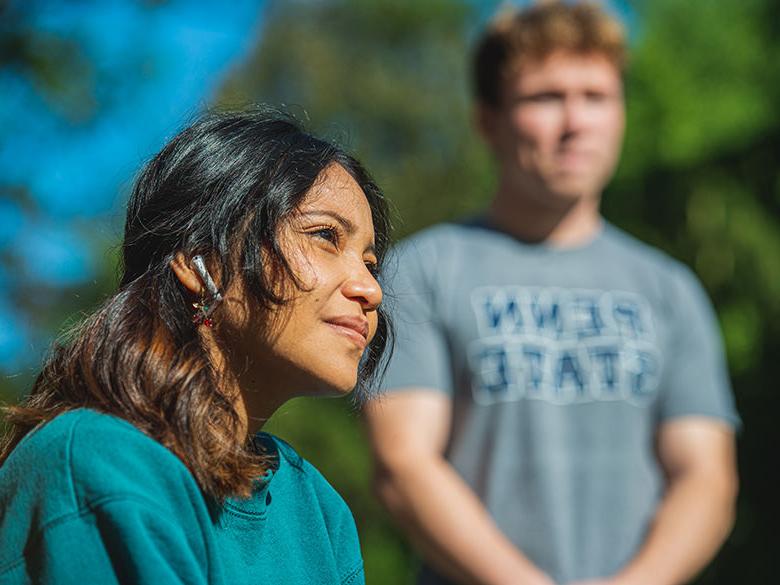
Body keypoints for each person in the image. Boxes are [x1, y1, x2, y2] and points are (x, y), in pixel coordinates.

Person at [364, 3, 740, 585]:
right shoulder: (420, 272)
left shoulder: (670, 290)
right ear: (488, 121)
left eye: (596, 97)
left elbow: (707, 478)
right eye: (545, 98)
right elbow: (404, 463)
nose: (576, 122)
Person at [0, 108, 390, 585]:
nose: (370, 289)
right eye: (325, 236)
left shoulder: (316, 512)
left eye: (370, 262)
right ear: (200, 259)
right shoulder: (99, 465)